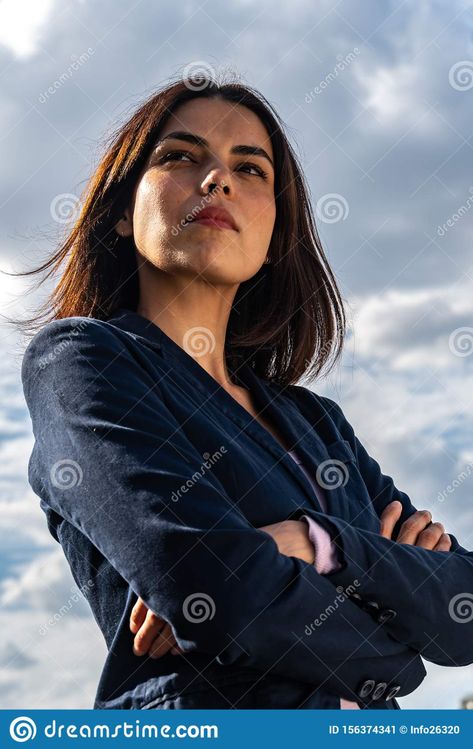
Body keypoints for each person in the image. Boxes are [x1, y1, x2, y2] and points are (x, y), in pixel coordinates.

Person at [18, 73, 473, 711]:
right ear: (123, 212)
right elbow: (217, 590)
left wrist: (321, 542)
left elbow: (463, 609)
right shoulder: (85, 363)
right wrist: (393, 626)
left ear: (274, 229)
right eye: (180, 156)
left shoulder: (317, 422)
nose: (218, 179)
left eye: (251, 168)